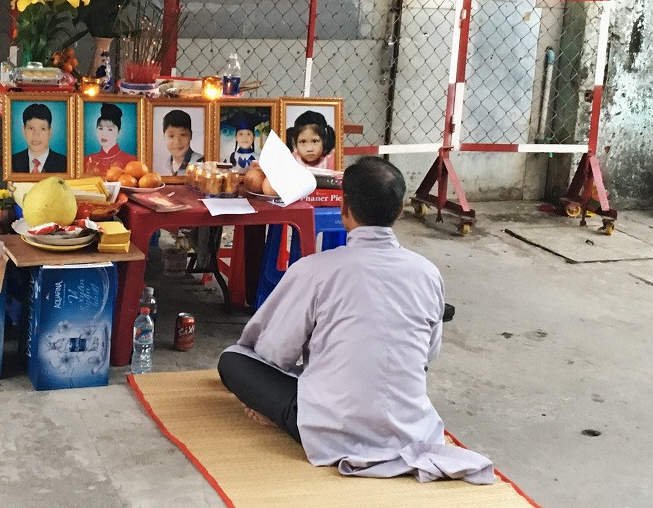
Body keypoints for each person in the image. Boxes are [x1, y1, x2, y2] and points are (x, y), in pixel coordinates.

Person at [216, 156, 493, 483]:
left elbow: (273, 353)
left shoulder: (315, 270)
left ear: (343, 207)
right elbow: (428, 354)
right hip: (412, 430)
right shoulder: (428, 273)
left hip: (328, 429)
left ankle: (282, 414)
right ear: (399, 211)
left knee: (233, 361)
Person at [11, 103, 68, 174]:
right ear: (24, 130)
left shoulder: (65, 164)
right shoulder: (12, 162)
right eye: (31, 128)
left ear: (50, 132)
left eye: (42, 129)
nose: (36, 135)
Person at [83, 103, 138, 175]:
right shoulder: (86, 160)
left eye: (110, 130)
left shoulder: (131, 161)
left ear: (118, 132)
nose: (104, 134)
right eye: (100, 128)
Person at [157, 109, 203, 176]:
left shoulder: (200, 163)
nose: (177, 142)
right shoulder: (165, 165)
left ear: (191, 135)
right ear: (164, 136)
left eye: (183, 135)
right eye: (171, 136)